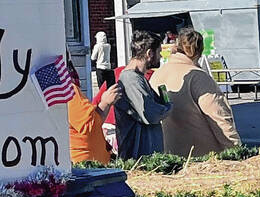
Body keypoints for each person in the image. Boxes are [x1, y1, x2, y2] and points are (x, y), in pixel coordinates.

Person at [149, 27, 241, 157]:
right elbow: (219, 117)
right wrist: (236, 151)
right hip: (202, 156)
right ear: (200, 50)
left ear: (177, 46)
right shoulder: (198, 77)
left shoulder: (157, 75)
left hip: (168, 154)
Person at [115, 30, 172, 158]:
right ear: (149, 53)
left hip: (144, 154)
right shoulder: (131, 79)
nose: (161, 56)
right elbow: (150, 113)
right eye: (159, 52)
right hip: (138, 156)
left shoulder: (138, 77)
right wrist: (168, 107)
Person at [67, 59, 121, 164]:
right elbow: (89, 124)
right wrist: (105, 102)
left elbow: (93, 120)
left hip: (89, 164)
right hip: (85, 166)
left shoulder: (65, 90)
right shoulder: (69, 90)